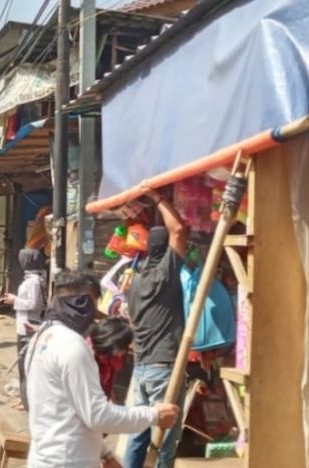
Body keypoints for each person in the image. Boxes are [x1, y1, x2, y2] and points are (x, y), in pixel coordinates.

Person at [25, 271, 179, 468]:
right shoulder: (72, 346)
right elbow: (97, 416)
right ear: (82, 303)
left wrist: (105, 453)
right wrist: (153, 415)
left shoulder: (42, 337)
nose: (93, 316)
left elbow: (71, 411)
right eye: (93, 305)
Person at [123, 191, 188, 468]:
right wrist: (159, 198)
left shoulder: (136, 281)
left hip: (141, 368)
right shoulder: (166, 274)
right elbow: (178, 230)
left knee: (139, 434)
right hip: (163, 369)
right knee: (165, 441)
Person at [2, 247, 46, 409]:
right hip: (24, 326)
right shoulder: (35, 279)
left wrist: (15, 300)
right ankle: (23, 398)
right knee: (23, 367)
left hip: (28, 327)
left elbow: (33, 304)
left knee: (26, 367)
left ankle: (28, 402)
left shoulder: (34, 281)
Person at [87, 318, 134, 403]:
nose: (124, 352)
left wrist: (113, 402)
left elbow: (109, 385)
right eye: (124, 347)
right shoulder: (86, 355)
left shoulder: (113, 359)